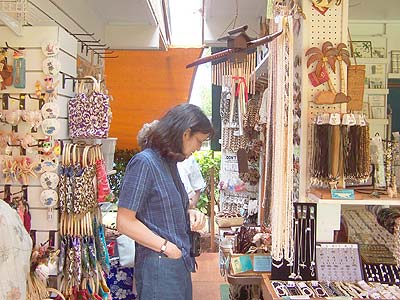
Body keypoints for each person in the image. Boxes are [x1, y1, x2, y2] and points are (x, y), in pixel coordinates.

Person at [117, 103, 214, 300]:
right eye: (199, 141)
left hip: (177, 263)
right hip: (159, 266)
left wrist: (190, 213)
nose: (198, 148)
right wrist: (166, 248)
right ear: (186, 133)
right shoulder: (144, 162)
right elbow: (124, 221)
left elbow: (164, 207)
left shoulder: (169, 163)